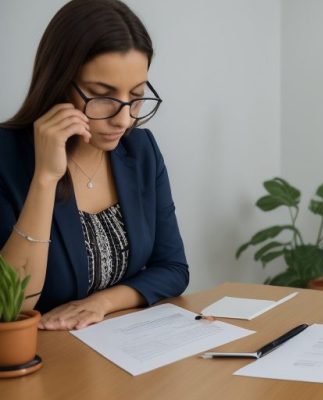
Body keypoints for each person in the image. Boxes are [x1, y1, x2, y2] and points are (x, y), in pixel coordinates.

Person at [0, 0, 188, 330]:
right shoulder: (7, 156)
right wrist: (45, 177)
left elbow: (173, 267)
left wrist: (101, 303)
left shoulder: (140, 151)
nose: (124, 118)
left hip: (122, 352)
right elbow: (9, 307)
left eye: (137, 95)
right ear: (59, 80)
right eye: (102, 95)